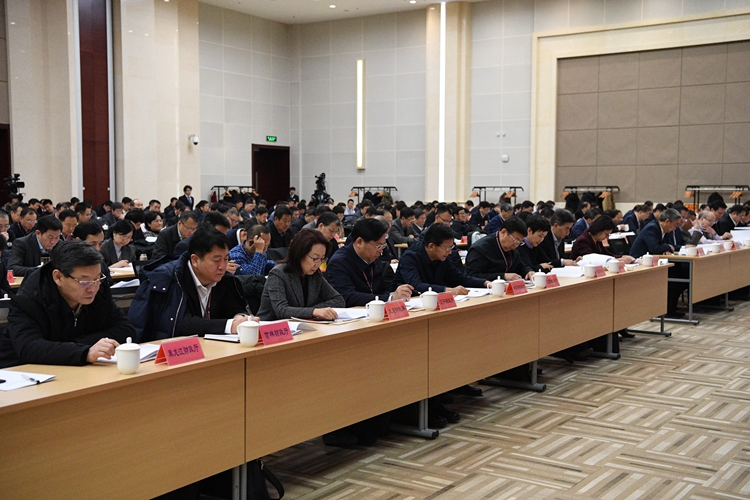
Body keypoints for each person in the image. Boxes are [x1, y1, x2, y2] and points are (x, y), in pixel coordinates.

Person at [0, 241, 134, 368]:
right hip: (24, 372)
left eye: (97, 279)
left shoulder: (100, 288)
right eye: (84, 281)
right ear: (58, 277)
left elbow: (126, 330)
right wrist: (85, 351)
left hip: (80, 369)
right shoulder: (29, 298)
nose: (93, 288)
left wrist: (78, 346)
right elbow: (29, 348)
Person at [129, 228, 254, 342]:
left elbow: (232, 307)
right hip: (169, 349)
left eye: (226, 259)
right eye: (216, 260)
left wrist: (240, 317)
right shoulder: (169, 279)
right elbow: (181, 323)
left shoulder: (224, 279)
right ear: (195, 260)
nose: (222, 266)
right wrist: (230, 325)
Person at [257, 229, 344, 321]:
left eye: (322, 259)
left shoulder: (315, 274)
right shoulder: (278, 274)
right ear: (300, 254)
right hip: (272, 326)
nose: (318, 264)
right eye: (315, 258)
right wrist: (313, 311)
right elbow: (281, 310)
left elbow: (338, 300)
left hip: (303, 325)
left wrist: (313, 311)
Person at [326, 218, 413, 307]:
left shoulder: (373, 256)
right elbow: (346, 296)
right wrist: (389, 298)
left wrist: (395, 295)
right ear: (359, 242)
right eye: (378, 246)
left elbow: (380, 290)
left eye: (383, 246)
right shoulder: (339, 262)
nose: (381, 251)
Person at [392, 223, 489, 294]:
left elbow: (459, 278)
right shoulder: (410, 257)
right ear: (431, 246)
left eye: (451, 248)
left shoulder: (442, 257)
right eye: (447, 248)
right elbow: (416, 286)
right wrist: (449, 290)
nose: (450, 252)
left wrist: (486, 283)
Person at [629, 208, 687, 318]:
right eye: (675, 224)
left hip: (654, 261)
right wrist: (666, 247)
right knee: (675, 278)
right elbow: (655, 248)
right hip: (639, 263)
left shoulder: (665, 230)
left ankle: (670, 308)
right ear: (667, 221)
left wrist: (667, 247)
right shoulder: (652, 228)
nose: (676, 228)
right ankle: (667, 310)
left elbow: (669, 246)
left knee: (681, 274)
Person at [465, 217, 535, 282]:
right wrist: (503, 276)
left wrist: (528, 271)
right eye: (515, 240)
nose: (516, 245)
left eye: (520, 242)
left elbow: (520, 265)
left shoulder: (512, 248)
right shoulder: (480, 248)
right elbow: (471, 276)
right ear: (503, 232)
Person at [571, 216, 636, 263]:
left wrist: (622, 256)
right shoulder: (583, 241)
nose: (606, 237)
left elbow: (607, 254)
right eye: (606, 234)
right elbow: (592, 260)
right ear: (599, 229)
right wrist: (618, 260)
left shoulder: (597, 240)